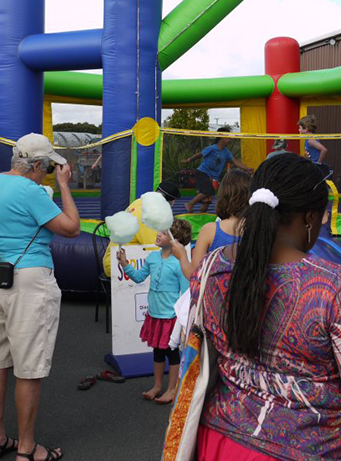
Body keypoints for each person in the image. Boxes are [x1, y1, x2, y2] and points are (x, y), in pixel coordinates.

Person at [190, 153, 341, 460]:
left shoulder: (211, 267)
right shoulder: (332, 286)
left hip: (220, 440)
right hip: (312, 448)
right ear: (310, 218)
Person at [0, 133, 81, 461]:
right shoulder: (33, 191)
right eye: (48, 168)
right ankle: (27, 448)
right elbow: (72, 227)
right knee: (29, 367)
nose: (48, 173)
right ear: (35, 165)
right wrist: (63, 186)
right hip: (27, 281)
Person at [117, 218, 192, 404]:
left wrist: (183, 321)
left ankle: (172, 389)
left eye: (164, 233)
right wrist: (125, 263)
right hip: (154, 315)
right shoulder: (152, 257)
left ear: (175, 240)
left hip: (171, 317)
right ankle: (157, 386)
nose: (158, 234)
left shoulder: (179, 263)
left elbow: (185, 293)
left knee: (171, 353)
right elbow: (138, 277)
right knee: (157, 351)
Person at [174, 168, 250, 280]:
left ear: (223, 194)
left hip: (218, 295)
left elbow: (194, 275)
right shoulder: (259, 228)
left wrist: (181, 255)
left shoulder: (210, 230)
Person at [102, 180, 181, 277]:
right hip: (116, 265)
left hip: (116, 258)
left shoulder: (140, 201)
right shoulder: (148, 216)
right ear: (167, 203)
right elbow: (156, 248)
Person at [181, 127, 252, 214]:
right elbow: (199, 155)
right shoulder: (212, 148)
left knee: (208, 198)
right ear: (221, 137)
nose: (230, 140)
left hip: (211, 176)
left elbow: (235, 161)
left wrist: (246, 168)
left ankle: (202, 214)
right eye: (228, 138)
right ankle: (190, 203)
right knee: (208, 191)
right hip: (202, 172)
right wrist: (188, 160)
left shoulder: (226, 152)